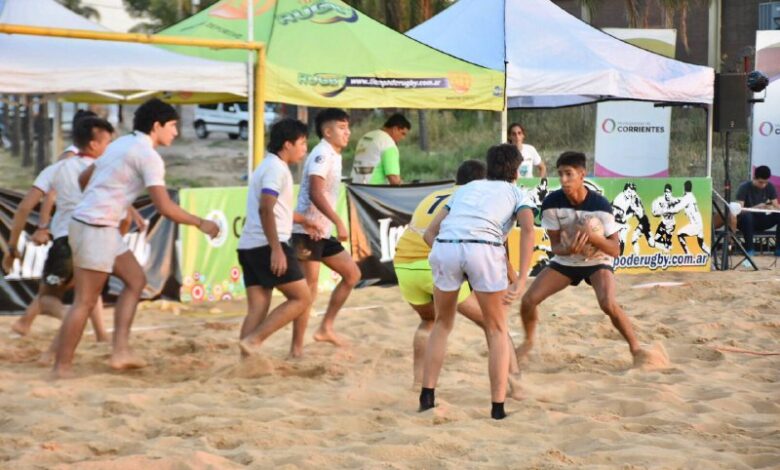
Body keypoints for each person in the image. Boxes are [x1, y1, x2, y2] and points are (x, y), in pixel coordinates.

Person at [51, 98, 220, 379]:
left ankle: (120, 351)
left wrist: (113, 200)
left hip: (95, 224)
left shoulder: (121, 143)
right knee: (85, 301)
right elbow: (164, 207)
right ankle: (61, 367)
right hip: (95, 226)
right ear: (156, 126)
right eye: (172, 125)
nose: (176, 132)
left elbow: (84, 179)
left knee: (136, 280)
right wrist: (201, 223)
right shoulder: (148, 156)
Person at [419, 144, 537, 420]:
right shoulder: (517, 192)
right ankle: (497, 408)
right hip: (483, 249)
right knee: (497, 329)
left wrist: (449, 253)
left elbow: (429, 233)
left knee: (442, 324)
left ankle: (427, 396)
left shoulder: (467, 188)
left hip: (445, 245)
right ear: (517, 170)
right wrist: (521, 278)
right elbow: (528, 230)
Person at [393, 160, 524, 392]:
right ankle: (516, 383)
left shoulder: (434, 196)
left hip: (404, 266)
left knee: (429, 321)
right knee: (494, 324)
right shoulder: (473, 201)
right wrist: (513, 276)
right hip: (435, 263)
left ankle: (418, 382)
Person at [518, 151, 648, 370]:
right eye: (560, 174)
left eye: (569, 174)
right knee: (528, 301)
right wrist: (568, 249)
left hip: (597, 261)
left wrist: (594, 238)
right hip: (567, 261)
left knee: (607, 303)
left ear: (582, 175)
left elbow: (615, 250)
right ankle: (528, 342)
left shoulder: (600, 205)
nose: (563, 179)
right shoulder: (551, 203)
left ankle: (636, 350)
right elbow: (555, 246)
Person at [2, 110, 103, 337]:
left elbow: (26, 206)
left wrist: (14, 246)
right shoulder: (77, 160)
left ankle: (84, 330)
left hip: (70, 237)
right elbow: (51, 195)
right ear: (94, 140)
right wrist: (43, 226)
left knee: (55, 294)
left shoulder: (75, 164)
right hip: (89, 237)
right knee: (78, 290)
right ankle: (98, 334)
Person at [237, 119, 317, 357]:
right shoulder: (276, 169)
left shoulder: (267, 165)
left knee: (257, 309)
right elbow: (266, 208)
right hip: (266, 245)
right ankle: (254, 341)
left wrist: (303, 220)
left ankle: (245, 363)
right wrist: (276, 249)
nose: (305, 149)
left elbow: (277, 210)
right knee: (302, 298)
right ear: (287, 144)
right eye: (302, 143)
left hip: (249, 246)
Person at [290, 108, 361, 355]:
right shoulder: (322, 153)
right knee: (308, 290)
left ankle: (325, 327)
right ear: (327, 131)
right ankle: (296, 348)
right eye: (342, 127)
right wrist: (338, 221)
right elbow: (315, 192)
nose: (347, 132)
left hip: (321, 231)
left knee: (352, 274)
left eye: (348, 127)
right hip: (306, 230)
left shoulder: (333, 154)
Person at [350, 113, 411, 185]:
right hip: (374, 188)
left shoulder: (366, 136)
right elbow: (394, 180)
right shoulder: (388, 144)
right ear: (395, 129)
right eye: (403, 133)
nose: (403, 138)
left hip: (354, 186)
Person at [736, 165, 780, 256]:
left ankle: (778, 249)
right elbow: (739, 211)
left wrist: (771, 208)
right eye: (760, 182)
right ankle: (750, 249)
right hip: (745, 221)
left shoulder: (770, 187)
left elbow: (776, 205)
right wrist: (756, 207)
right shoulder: (744, 187)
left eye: (765, 182)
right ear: (754, 178)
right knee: (747, 217)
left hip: (761, 219)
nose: (763, 185)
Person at [611, 182, 654, 255]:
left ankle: (648, 234)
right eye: (629, 191)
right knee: (622, 238)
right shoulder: (620, 198)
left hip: (641, 221)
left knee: (651, 243)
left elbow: (640, 213)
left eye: (632, 191)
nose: (630, 193)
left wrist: (634, 208)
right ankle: (621, 254)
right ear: (624, 191)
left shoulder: (634, 199)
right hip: (616, 220)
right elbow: (621, 215)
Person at [676, 180, 710, 255]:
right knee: (701, 244)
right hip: (699, 223)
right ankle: (710, 254)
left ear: (684, 188)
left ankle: (688, 255)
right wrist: (675, 200)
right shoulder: (691, 196)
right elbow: (681, 200)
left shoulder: (687, 198)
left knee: (679, 234)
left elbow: (677, 208)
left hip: (695, 224)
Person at [651, 184, 680, 252]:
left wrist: (670, 210)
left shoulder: (673, 200)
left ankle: (668, 245)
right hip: (663, 224)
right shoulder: (660, 199)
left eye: (669, 192)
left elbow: (678, 209)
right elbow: (654, 204)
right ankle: (665, 247)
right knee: (656, 239)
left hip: (671, 225)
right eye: (666, 192)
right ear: (664, 192)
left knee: (667, 246)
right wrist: (655, 211)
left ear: (671, 193)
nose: (667, 194)